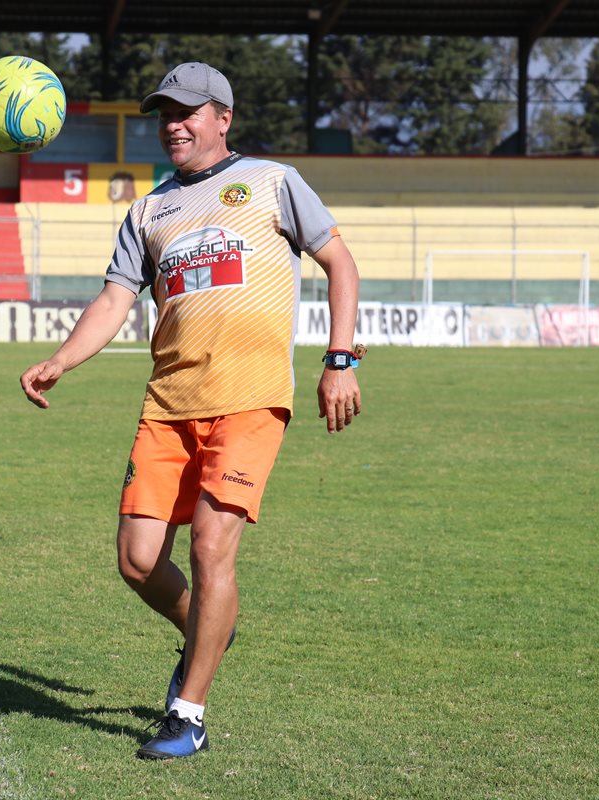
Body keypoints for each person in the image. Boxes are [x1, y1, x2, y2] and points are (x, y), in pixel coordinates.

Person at [19, 62, 363, 760]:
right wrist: (61, 359)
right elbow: (115, 300)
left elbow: (340, 262)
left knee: (209, 548)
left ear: (222, 118)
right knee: (137, 561)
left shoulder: (272, 181)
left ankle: (188, 714)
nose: (172, 125)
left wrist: (340, 358)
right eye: (164, 115)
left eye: (186, 112)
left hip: (251, 398)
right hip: (169, 403)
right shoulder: (148, 211)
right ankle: (210, 628)